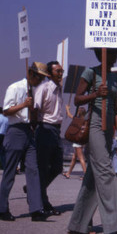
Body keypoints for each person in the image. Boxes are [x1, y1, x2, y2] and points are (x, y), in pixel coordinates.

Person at [68, 48, 117, 234]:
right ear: (102, 54)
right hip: (95, 124)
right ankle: (116, 225)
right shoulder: (91, 72)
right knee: (106, 171)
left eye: (116, 53)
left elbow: (114, 109)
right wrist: (95, 94)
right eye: (111, 53)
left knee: (93, 177)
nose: (115, 56)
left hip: (109, 126)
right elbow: (77, 99)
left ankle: (78, 225)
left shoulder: (114, 79)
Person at [0, 62, 49, 222]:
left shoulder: (33, 90)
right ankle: (2, 207)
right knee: (10, 171)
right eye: (40, 78)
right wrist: (23, 105)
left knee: (33, 170)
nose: (41, 81)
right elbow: (6, 110)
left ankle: (36, 208)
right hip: (15, 131)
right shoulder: (15, 88)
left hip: (29, 131)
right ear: (31, 74)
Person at [34, 60, 64, 215]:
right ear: (50, 73)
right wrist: (36, 130)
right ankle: (43, 202)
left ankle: (35, 188)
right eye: (58, 71)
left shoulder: (59, 88)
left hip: (56, 130)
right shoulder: (43, 88)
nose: (61, 74)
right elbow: (35, 109)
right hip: (45, 128)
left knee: (58, 167)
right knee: (43, 167)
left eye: (61, 71)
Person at [63, 105, 87, 179]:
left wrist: (67, 109)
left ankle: (86, 175)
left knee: (81, 158)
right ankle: (68, 173)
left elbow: (69, 115)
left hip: (77, 140)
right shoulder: (85, 121)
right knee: (74, 157)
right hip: (82, 140)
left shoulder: (77, 119)